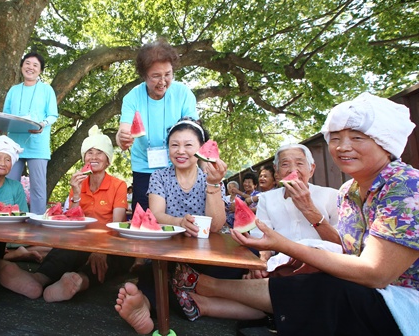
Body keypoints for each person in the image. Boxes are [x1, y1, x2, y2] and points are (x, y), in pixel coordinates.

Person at [117, 92, 419, 335]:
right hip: (353, 285)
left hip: (400, 300)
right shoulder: (349, 191)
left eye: (357, 138)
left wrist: (285, 244)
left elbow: (377, 272)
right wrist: (294, 255)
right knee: (297, 278)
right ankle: (182, 296)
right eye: (336, 138)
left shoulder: (405, 186)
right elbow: (345, 249)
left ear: (385, 141)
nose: (342, 147)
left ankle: (200, 290)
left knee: (318, 288)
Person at [117, 118, 248, 331]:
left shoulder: (211, 176)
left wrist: (213, 184)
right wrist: (179, 222)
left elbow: (216, 225)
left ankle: (168, 298)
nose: (181, 151)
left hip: (207, 253)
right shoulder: (159, 176)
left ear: (200, 148)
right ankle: (145, 305)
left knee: (224, 273)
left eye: (188, 145)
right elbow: (157, 214)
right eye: (174, 145)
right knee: (156, 272)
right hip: (171, 249)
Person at [0, 125, 131, 302]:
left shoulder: (118, 185)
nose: (94, 156)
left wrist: (101, 250)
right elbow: (72, 220)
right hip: (81, 240)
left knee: (110, 262)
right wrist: (75, 194)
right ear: (84, 158)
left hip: (108, 243)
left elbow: (117, 224)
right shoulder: (79, 183)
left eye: (99, 152)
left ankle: (77, 282)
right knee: (66, 250)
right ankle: (36, 280)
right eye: (89, 152)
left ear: (108, 160)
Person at [116, 39, 198, 212]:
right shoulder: (132, 98)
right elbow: (124, 129)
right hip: (144, 167)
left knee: (177, 217)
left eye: (167, 74)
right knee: (145, 218)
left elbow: (193, 132)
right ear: (144, 75)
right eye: (155, 76)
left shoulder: (183, 94)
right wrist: (122, 137)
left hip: (177, 165)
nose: (162, 82)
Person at [246, 143, 341, 279]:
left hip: (323, 266)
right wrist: (260, 262)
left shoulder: (332, 196)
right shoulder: (267, 199)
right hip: (279, 266)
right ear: (276, 171)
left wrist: (308, 209)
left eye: (299, 163)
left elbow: (341, 244)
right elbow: (261, 238)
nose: (293, 171)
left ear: (311, 169)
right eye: (285, 165)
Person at [3, 52, 58, 215]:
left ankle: (37, 227)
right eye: (27, 63)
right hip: (13, 145)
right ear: (21, 66)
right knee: (9, 185)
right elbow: (6, 114)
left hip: (38, 146)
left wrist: (43, 124)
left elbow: (53, 115)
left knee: (38, 189)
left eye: (35, 65)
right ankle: (7, 221)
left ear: (40, 70)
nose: (30, 67)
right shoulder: (13, 90)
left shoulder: (47, 89)